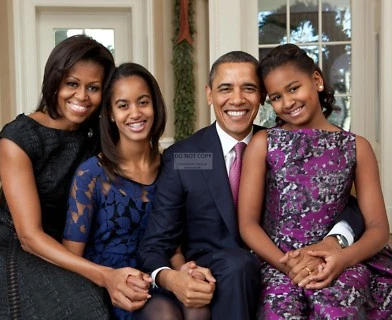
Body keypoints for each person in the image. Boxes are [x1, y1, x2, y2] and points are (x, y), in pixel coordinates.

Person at [138, 50, 365, 319]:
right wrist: (172, 277)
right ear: (209, 94)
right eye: (225, 89)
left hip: (282, 264)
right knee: (237, 264)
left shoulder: (281, 143)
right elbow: (155, 244)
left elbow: (342, 201)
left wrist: (337, 239)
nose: (237, 99)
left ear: (261, 97)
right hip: (220, 272)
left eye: (249, 88)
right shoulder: (187, 157)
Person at [238, 43, 392, 318]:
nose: (287, 102)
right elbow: (248, 224)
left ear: (317, 80)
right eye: (276, 97)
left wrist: (342, 258)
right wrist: (287, 266)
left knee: (338, 305)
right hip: (279, 262)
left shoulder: (357, 147)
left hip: (340, 261)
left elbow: (379, 229)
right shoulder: (264, 143)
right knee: (280, 309)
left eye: (293, 88)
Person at [0, 34, 128, 319]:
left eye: (94, 87)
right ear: (54, 81)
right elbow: (29, 236)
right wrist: (104, 275)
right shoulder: (19, 138)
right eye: (72, 84)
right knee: (84, 306)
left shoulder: (100, 132)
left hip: (76, 241)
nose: (82, 96)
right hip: (16, 244)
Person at [62, 62, 210, 320]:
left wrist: (185, 270)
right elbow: (71, 258)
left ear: (155, 106)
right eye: (123, 105)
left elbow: (172, 241)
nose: (135, 113)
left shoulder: (174, 164)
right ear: (110, 113)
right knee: (164, 314)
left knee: (198, 308)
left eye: (143, 102)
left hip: (161, 275)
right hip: (114, 286)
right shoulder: (91, 174)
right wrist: (108, 279)